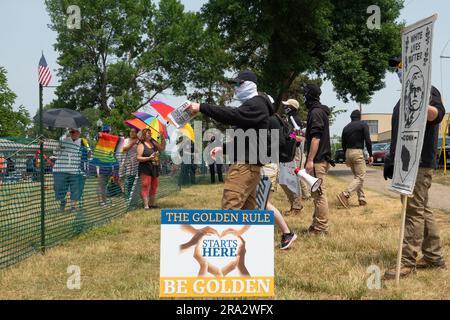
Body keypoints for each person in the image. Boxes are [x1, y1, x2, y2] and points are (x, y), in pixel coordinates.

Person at [384, 57, 447, 279]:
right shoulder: (400, 100)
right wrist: (391, 161)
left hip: (419, 163)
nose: (399, 72)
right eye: (397, 70)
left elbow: (437, 114)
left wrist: (418, 97)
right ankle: (433, 256)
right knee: (421, 208)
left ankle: (407, 261)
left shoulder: (430, 90)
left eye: (403, 68)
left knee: (413, 210)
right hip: (404, 162)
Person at [187, 70, 275, 210]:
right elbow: (246, 137)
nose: (236, 88)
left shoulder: (256, 104)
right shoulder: (255, 105)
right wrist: (224, 148)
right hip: (250, 166)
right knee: (247, 212)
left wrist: (202, 107)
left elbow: (233, 115)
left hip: (244, 166)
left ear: (249, 85)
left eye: (239, 84)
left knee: (230, 208)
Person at [303, 83, 332, 235]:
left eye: (304, 93)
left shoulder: (315, 112)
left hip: (318, 160)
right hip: (321, 159)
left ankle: (321, 228)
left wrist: (309, 160)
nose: (303, 97)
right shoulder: (320, 112)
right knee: (316, 195)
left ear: (309, 95)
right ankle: (316, 225)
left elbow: (316, 138)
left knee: (319, 195)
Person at [336, 110, 373, 208]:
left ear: (351, 117)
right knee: (360, 177)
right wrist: (371, 154)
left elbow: (343, 143)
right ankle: (345, 194)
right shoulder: (363, 125)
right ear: (359, 117)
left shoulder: (346, 127)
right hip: (357, 152)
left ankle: (362, 198)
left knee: (357, 177)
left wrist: (345, 156)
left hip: (348, 152)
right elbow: (368, 140)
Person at [278, 99, 308, 216]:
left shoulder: (294, 119)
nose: (285, 107)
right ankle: (294, 204)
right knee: (284, 179)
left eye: (287, 105)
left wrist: (287, 137)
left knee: (293, 177)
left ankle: (296, 206)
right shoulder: (289, 118)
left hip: (294, 151)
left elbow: (298, 134)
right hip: (288, 150)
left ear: (292, 107)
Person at [261, 163, 297, 249]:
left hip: (266, 169)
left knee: (265, 204)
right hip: (268, 168)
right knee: (263, 205)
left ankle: (287, 233)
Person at [52, 128, 86, 212]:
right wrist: (59, 146)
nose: (73, 133)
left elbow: (88, 155)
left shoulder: (83, 142)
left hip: (75, 170)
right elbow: (55, 152)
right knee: (58, 188)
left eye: (74, 132)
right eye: (71, 132)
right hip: (61, 169)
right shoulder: (63, 140)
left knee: (75, 189)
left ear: (79, 133)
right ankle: (62, 201)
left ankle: (73, 207)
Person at [137, 128, 166, 210]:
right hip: (145, 167)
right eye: (148, 133)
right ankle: (146, 205)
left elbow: (162, 148)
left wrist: (163, 139)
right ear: (144, 135)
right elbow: (138, 158)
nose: (150, 134)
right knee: (145, 185)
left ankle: (151, 204)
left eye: (150, 133)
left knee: (154, 185)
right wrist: (149, 158)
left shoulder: (153, 142)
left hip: (154, 167)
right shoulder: (141, 145)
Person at [119, 127, 140, 200]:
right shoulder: (126, 140)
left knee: (129, 179)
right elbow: (123, 148)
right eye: (131, 131)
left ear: (137, 133)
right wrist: (133, 142)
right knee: (120, 178)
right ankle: (124, 192)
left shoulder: (139, 142)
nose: (132, 133)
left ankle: (128, 196)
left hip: (133, 164)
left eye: (134, 132)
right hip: (124, 161)